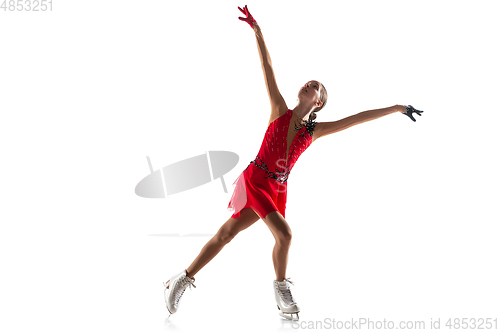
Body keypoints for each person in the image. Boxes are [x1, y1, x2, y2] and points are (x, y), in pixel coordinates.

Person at [163, 5, 424, 321]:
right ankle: (281, 289)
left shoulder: (315, 131)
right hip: (255, 179)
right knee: (284, 235)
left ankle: (182, 277)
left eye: (316, 86)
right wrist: (257, 31)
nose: (310, 83)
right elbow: (267, 66)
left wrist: (396, 107)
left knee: (226, 235)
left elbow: (358, 118)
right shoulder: (278, 110)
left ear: (319, 103)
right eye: (309, 81)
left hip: (277, 188)